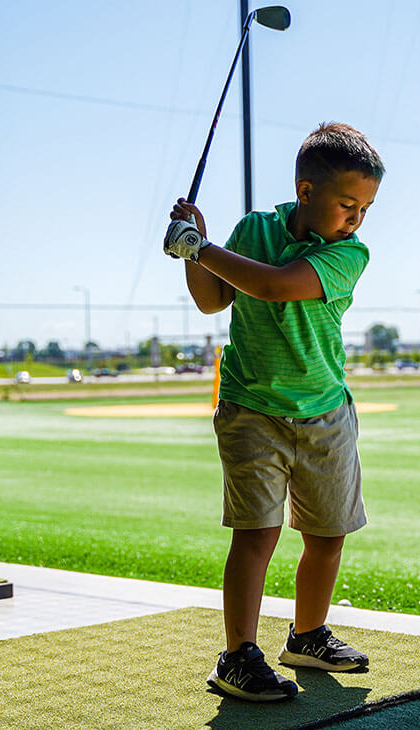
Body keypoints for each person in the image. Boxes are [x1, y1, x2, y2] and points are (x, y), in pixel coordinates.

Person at [163, 122, 384, 702]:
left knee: (327, 534)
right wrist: (196, 245)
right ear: (306, 192)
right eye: (346, 204)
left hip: (325, 413)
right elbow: (213, 299)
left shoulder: (347, 252)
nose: (356, 218)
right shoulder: (253, 229)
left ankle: (307, 636)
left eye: (364, 207)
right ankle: (237, 656)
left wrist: (199, 248)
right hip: (251, 409)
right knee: (256, 534)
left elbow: (278, 287)